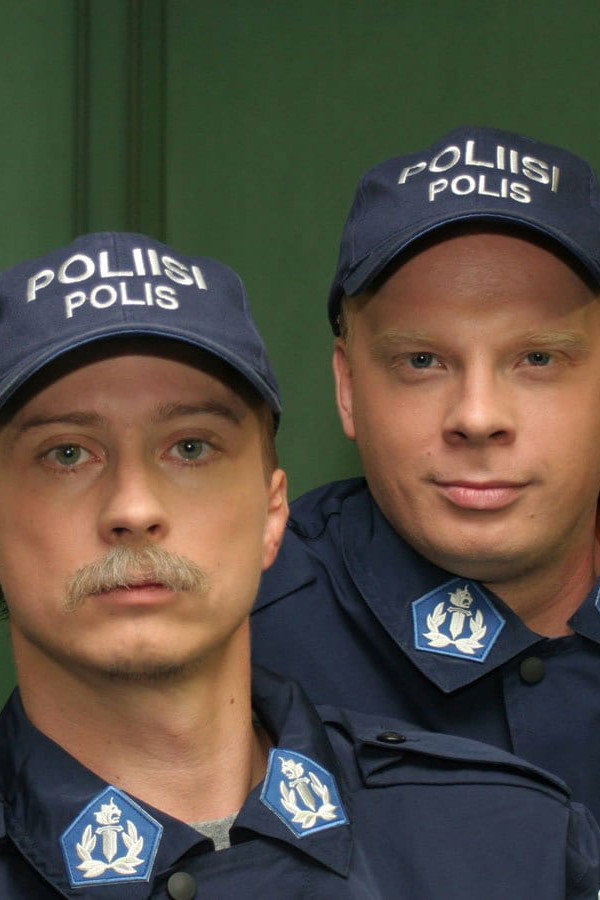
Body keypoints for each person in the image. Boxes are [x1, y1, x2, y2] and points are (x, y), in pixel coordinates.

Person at [0, 232, 597, 898]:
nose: (134, 508)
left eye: (191, 447)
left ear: (273, 513)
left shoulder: (513, 843)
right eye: (66, 454)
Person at [252, 125, 600, 828]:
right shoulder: (233, 635)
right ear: (348, 387)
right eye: (421, 362)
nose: (477, 416)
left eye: (538, 359)